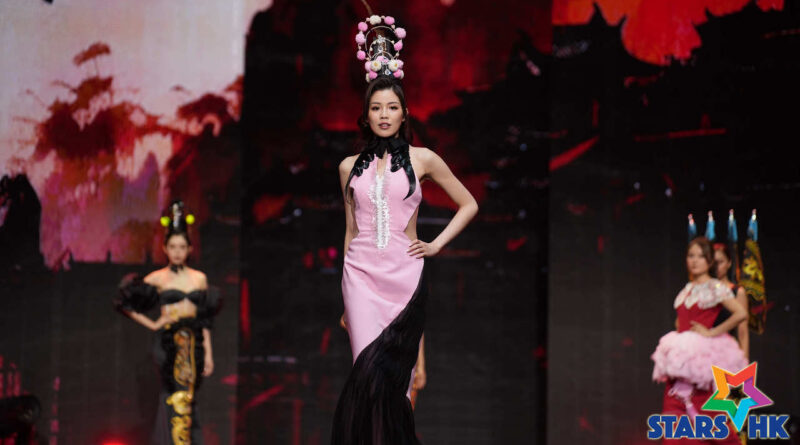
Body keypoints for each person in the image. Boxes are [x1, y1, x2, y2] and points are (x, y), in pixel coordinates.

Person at [331, 14, 478, 444]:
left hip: (404, 278)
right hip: (360, 278)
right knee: (366, 379)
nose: (384, 114)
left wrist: (436, 245)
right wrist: (345, 295)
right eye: (376, 107)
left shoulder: (423, 159)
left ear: (404, 113)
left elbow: (468, 204)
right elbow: (349, 231)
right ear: (366, 115)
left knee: (395, 385)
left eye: (392, 107)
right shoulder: (347, 167)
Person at [116, 200, 219, 445]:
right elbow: (125, 303)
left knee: (188, 397)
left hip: (192, 343)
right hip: (167, 343)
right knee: (171, 396)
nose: (177, 252)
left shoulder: (199, 279)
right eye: (172, 246)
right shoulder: (157, 278)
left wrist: (209, 354)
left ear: (189, 249)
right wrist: (154, 324)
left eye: (182, 247)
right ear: (165, 248)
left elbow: (204, 317)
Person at [651, 237, 747, 444]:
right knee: (673, 421)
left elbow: (741, 313)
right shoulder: (686, 289)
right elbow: (680, 321)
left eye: (701, 257)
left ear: (710, 261)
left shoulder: (715, 287)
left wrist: (712, 333)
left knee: (709, 420)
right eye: (691, 256)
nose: (694, 261)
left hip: (700, 366)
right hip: (680, 366)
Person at [713, 243, 749, 360]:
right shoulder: (703, 290)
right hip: (704, 350)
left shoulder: (737, 292)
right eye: (714, 262)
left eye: (720, 262)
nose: (717, 267)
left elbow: (742, 332)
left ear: (729, 263)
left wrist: (745, 363)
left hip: (726, 352)